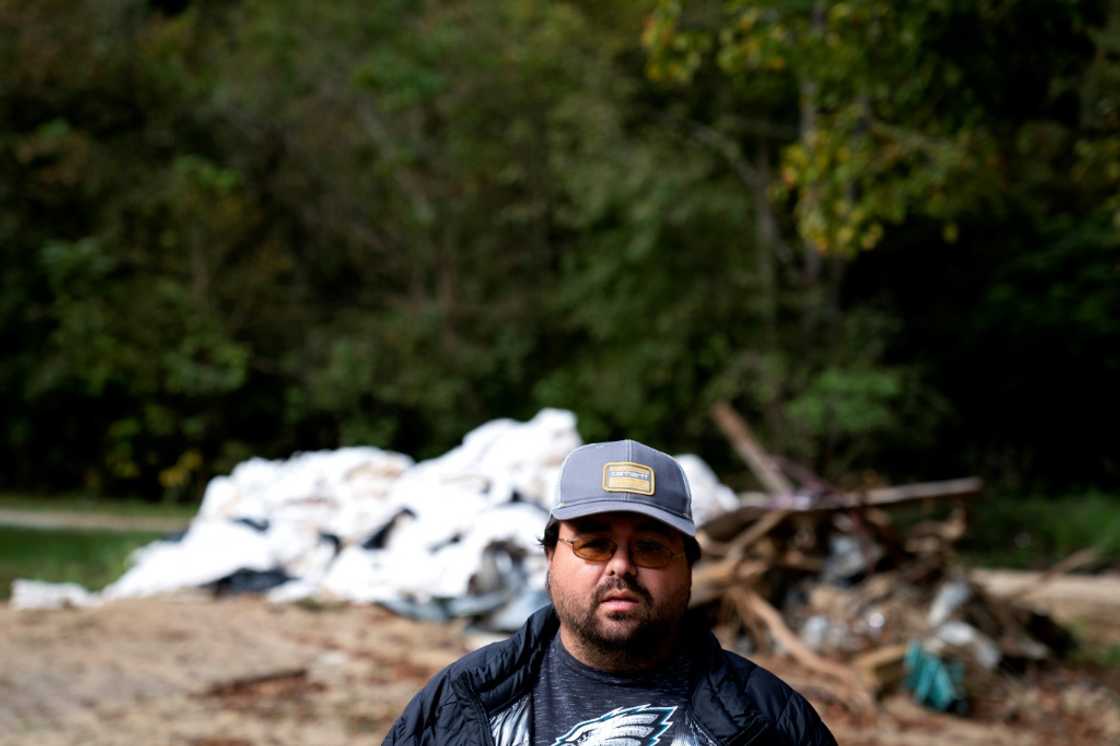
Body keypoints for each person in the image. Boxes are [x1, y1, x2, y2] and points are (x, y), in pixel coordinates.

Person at [384, 439, 837, 745]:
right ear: (549, 558)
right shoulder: (460, 702)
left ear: (689, 569)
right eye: (594, 543)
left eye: (651, 547)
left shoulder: (771, 721)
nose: (621, 565)